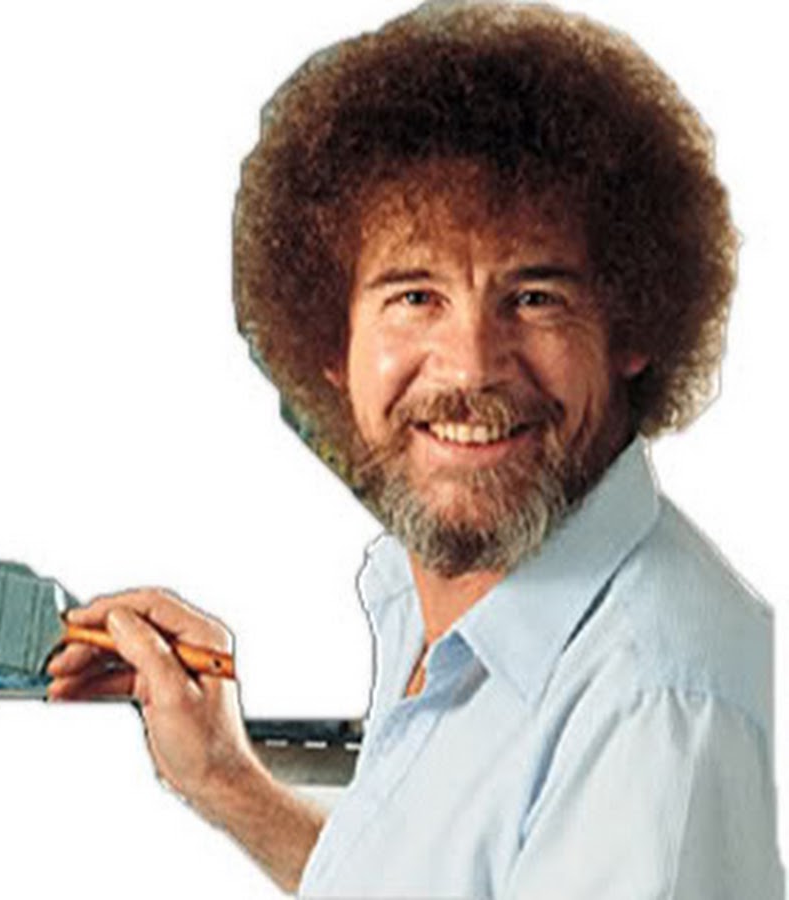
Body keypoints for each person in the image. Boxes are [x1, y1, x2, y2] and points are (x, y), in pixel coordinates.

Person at [46, 1, 783, 895]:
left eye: (535, 298)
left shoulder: (654, 708)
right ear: (333, 344)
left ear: (631, 329)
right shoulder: (449, 596)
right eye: (415, 297)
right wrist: (225, 780)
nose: (470, 366)